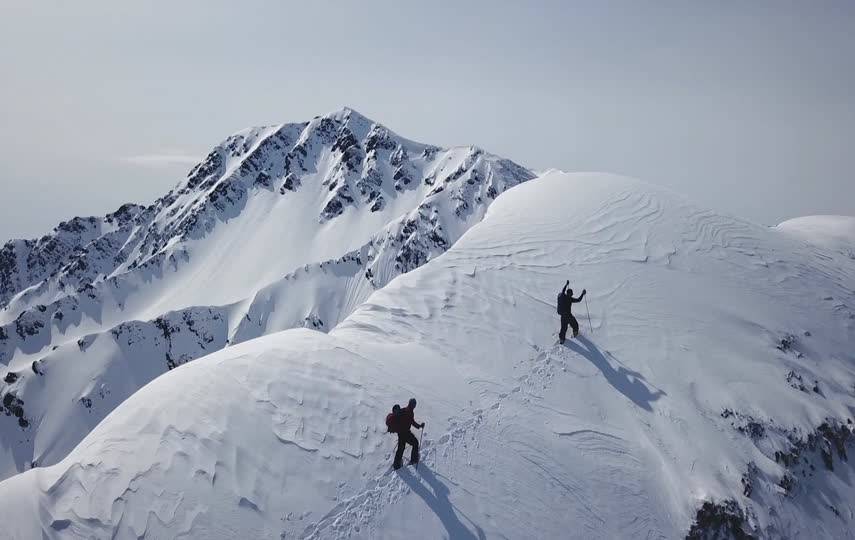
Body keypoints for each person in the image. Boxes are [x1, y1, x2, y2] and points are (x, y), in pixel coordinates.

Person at [393, 398, 425, 469]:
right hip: (406, 433)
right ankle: (414, 460)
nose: (414, 406)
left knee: (401, 448)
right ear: (412, 405)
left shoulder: (404, 410)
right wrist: (419, 426)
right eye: (414, 404)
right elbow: (412, 422)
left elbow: (411, 421)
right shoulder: (409, 412)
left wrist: (419, 426)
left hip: (401, 433)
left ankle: (396, 465)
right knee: (415, 443)